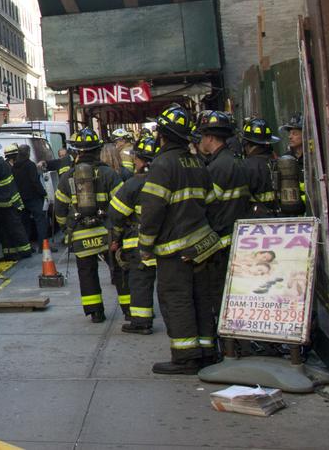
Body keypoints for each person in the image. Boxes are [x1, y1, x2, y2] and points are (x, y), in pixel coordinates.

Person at [138, 104, 223, 374]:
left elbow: (152, 211)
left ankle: (185, 358)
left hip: (174, 251)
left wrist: (145, 245)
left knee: (177, 299)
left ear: (162, 135)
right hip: (201, 247)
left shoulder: (162, 165)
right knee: (201, 297)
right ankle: (207, 351)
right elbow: (211, 202)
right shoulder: (197, 162)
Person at [198, 111, 269, 350]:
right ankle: (244, 341)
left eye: (201, 137)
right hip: (240, 238)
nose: (199, 142)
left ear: (209, 138)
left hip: (223, 240)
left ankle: (232, 344)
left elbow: (208, 207)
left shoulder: (216, 167)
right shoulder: (237, 161)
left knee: (221, 295)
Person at [53, 128, 126, 323]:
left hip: (80, 234)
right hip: (107, 233)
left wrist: (66, 229)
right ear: (97, 150)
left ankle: (96, 312)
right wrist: (118, 231)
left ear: (76, 152)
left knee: (87, 273)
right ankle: (129, 310)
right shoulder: (109, 174)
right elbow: (122, 205)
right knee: (119, 271)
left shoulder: (66, 177)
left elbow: (59, 210)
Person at [107, 135, 160, 334]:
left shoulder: (133, 184)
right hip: (168, 240)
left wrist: (117, 237)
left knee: (140, 281)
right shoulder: (167, 178)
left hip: (139, 242)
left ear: (141, 160)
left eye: (136, 158)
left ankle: (141, 322)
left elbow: (115, 214)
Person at [0, 140, 32, 260]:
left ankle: (24, 251)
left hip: (5, 203)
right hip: (9, 201)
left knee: (12, 229)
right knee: (8, 229)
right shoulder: (0, 162)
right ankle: (10, 253)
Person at [10, 143, 49, 250]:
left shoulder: (14, 167)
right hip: (33, 198)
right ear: (28, 153)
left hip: (21, 198)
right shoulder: (30, 165)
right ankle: (43, 246)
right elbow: (35, 181)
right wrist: (43, 193)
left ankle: (26, 247)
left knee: (25, 223)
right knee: (41, 221)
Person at [239, 117, 280, 216]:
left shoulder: (245, 166)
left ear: (246, 144)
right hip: (284, 219)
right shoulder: (279, 162)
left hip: (256, 223)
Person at [277, 113, 307, 215]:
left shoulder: (312, 159)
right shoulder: (286, 159)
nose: (290, 137)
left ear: (305, 134)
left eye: (294, 133)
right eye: (289, 133)